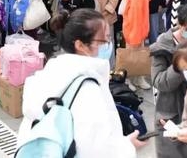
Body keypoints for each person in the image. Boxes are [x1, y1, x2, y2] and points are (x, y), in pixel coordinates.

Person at [19, 8, 143, 157]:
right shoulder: (87, 89)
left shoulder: (50, 74)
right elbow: (95, 150)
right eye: (103, 40)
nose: (108, 44)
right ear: (81, 45)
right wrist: (127, 147)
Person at [150, 4, 187, 158]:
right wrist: (182, 63)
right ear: (180, 24)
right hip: (171, 112)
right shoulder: (162, 45)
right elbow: (159, 81)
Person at [122, 0, 152, 90]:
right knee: (132, 56)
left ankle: (138, 79)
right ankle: (129, 80)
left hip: (135, 28)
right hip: (135, 29)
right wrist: (136, 34)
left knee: (137, 56)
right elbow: (135, 15)